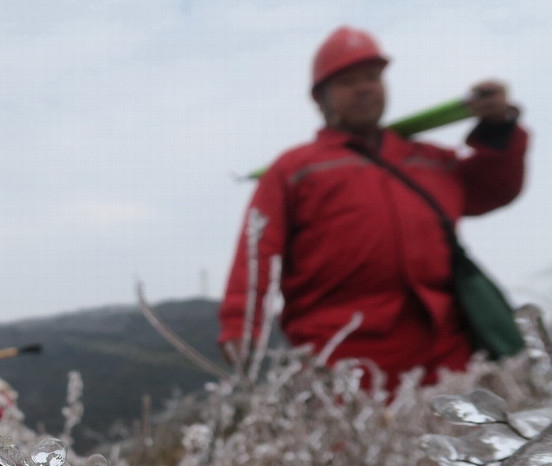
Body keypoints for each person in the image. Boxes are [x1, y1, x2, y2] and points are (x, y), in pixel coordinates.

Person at [219, 26, 529, 388]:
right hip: (341, 361)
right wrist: (241, 328)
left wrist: (499, 127)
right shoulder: (294, 170)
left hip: (447, 353)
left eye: (372, 77)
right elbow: (257, 254)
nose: (364, 87)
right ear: (320, 99)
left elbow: (492, 189)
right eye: (348, 81)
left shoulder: (428, 160)